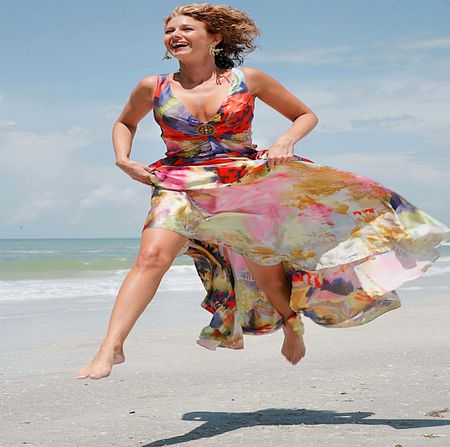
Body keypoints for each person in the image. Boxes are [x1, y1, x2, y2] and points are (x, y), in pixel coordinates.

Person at [76, 3, 449, 380]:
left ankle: (290, 321)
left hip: (243, 183)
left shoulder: (248, 79)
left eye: (187, 29)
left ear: (214, 38)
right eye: (171, 30)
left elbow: (305, 115)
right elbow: (125, 122)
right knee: (151, 257)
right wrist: (123, 159)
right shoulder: (153, 86)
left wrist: (285, 140)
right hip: (178, 181)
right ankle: (112, 347)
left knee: (266, 271)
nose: (176, 36)